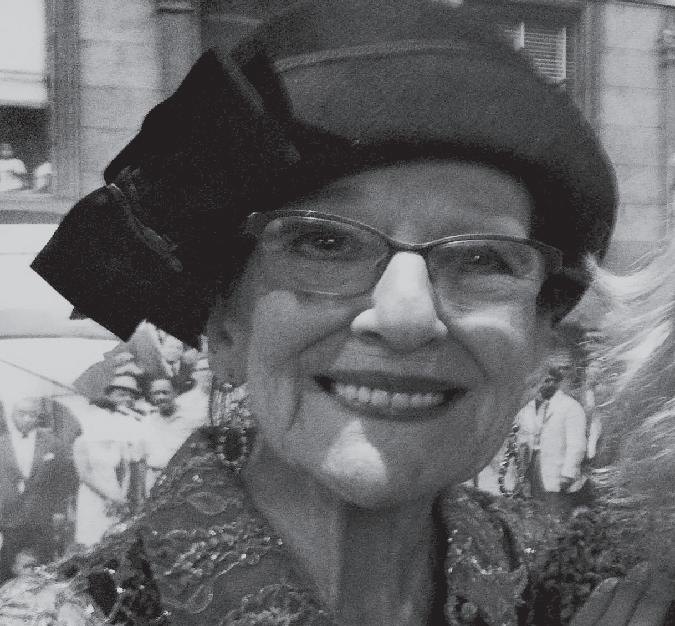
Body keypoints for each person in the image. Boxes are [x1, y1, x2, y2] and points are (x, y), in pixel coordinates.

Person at [3, 0, 667, 624]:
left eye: (483, 259)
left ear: (537, 343)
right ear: (224, 329)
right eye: (324, 244)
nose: (405, 317)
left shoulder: (590, 586)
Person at [0, 398, 77, 583]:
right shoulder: (2, 444)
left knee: (43, 570)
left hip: (42, 519)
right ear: (12, 415)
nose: (27, 419)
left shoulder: (53, 444)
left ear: (38, 417)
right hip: (8, 519)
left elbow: (65, 480)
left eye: (32, 414)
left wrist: (59, 511)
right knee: (6, 570)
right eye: (22, 413)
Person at [72, 376, 147, 546]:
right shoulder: (82, 441)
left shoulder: (118, 440)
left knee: (116, 540)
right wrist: (110, 497)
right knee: (93, 542)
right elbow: (84, 475)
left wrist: (121, 497)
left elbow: (127, 469)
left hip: (117, 493)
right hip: (94, 496)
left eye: (106, 414)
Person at [516, 366, 589, 514]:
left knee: (556, 512)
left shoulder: (571, 407)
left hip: (558, 472)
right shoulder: (538, 407)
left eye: (542, 382)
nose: (538, 387)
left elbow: (577, 445)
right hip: (535, 469)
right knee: (537, 512)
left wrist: (568, 474)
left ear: (553, 382)